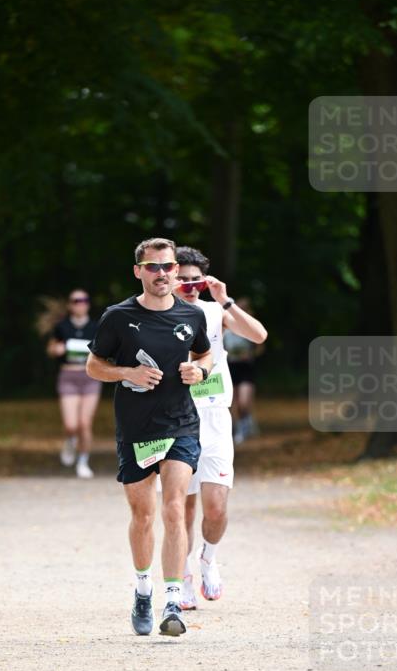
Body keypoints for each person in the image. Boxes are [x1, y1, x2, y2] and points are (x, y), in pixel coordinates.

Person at [85, 237, 212, 637]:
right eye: (153, 267)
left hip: (181, 424)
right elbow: (93, 365)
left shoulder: (192, 316)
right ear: (138, 271)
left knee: (174, 507)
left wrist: (201, 372)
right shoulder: (118, 317)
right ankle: (143, 589)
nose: (162, 274)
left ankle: (173, 600)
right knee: (143, 516)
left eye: (168, 267)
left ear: (177, 271)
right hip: (137, 428)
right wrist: (127, 373)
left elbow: (204, 354)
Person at [172, 247, 267, 608]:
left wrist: (225, 302)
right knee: (182, 506)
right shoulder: (159, 316)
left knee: (216, 507)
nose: (189, 286)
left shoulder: (215, 312)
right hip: (177, 419)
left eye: (195, 279)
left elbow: (258, 336)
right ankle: (181, 575)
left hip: (214, 418)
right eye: (183, 279)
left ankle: (208, 559)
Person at [46, 289, 101, 479]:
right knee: (71, 425)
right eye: (76, 300)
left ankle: (83, 462)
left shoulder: (96, 326)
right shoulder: (61, 326)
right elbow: (51, 349)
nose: (81, 303)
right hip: (68, 377)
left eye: (84, 300)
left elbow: (105, 351)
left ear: (88, 304)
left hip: (90, 378)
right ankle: (70, 440)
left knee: (84, 423)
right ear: (70, 304)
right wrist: (57, 349)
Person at [223, 297, 264, 444]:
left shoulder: (249, 326)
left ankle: (245, 421)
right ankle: (239, 429)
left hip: (246, 368)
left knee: (244, 402)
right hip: (230, 367)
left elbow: (260, 344)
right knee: (232, 403)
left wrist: (250, 355)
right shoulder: (224, 325)